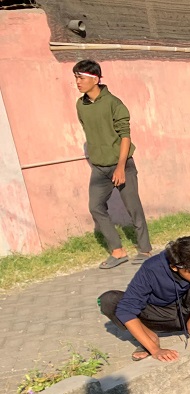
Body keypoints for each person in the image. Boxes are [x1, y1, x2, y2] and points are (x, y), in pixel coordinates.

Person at [98, 236, 190, 365]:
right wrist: (154, 350)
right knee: (108, 300)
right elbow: (126, 309)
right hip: (160, 315)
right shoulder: (152, 268)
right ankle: (150, 338)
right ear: (174, 267)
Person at [73, 60, 154, 269]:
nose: (77, 82)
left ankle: (145, 249)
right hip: (100, 168)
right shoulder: (80, 105)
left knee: (132, 206)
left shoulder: (114, 103)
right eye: (76, 78)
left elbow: (125, 136)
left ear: (95, 79)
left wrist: (120, 167)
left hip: (122, 164)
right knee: (95, 207)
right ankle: (117, 251)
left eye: (81, 77)